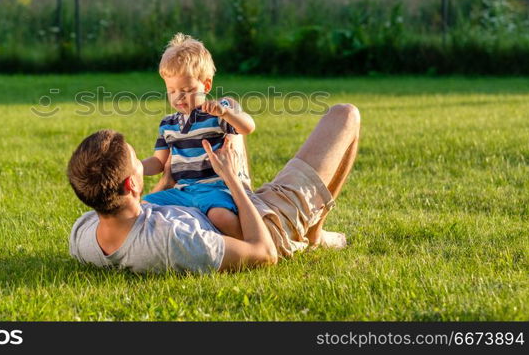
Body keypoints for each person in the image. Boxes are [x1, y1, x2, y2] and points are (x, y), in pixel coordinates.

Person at [67, 103, 360, 273]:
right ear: (131, 184)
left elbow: (138, 208)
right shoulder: (173, 242)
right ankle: (313, 235)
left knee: (227, 107)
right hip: (263, 222)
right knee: (346, 116)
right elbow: (263, 252)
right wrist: (231, 178)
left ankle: (313, 232)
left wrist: (166, 182)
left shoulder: (83, 232)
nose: (141, 161)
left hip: (206, 196)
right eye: (136, 161)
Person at [140, 33, 255, 239]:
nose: (179, 97)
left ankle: (247, 244)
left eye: (187, 89)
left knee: (221, 217)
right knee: (144, 207)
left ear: (207, 85)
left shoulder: (216, 113)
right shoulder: (168, 124)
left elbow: (248, 127)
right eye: (172, 90)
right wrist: (137, 168)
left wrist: (227, 113)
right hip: (183, 191)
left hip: (216, 189)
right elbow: (159, 162)